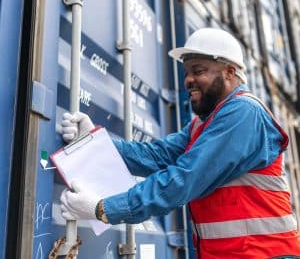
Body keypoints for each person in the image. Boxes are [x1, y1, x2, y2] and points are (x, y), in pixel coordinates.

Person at [60, 28, 300, 258]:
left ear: (228, 71)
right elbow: (155, 156)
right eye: (186, 73)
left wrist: (104, 209)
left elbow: (184, 179)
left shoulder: (244, 113)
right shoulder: (202, 125)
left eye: (198, 71)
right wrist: (93, 140)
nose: (188, 80)